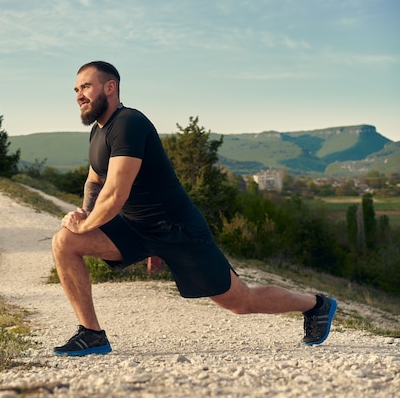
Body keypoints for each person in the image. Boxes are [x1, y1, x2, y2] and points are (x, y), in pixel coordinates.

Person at [51, 61, 337, 356]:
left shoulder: (129, 124)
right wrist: (86, 214)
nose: (78, 95)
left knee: (241, 302)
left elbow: (114, 195)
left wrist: (85, 225)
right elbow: (96, 180)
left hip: (177, 229)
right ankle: (92, 333)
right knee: (65, 241)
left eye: (86, 87)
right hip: (135, 227)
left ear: (110, 87)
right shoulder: (98, 132)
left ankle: (316, 305)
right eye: (76, 89)